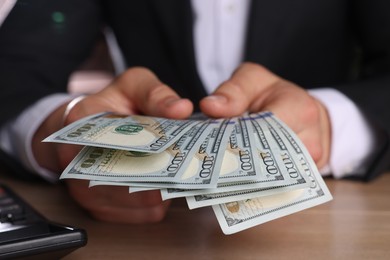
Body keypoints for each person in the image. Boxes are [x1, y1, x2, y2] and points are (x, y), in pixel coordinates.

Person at [0, 0, 389, 224]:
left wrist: (331, 121)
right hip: (145, 225)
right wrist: (61, 132)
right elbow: (15, 72)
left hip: (329, 220)